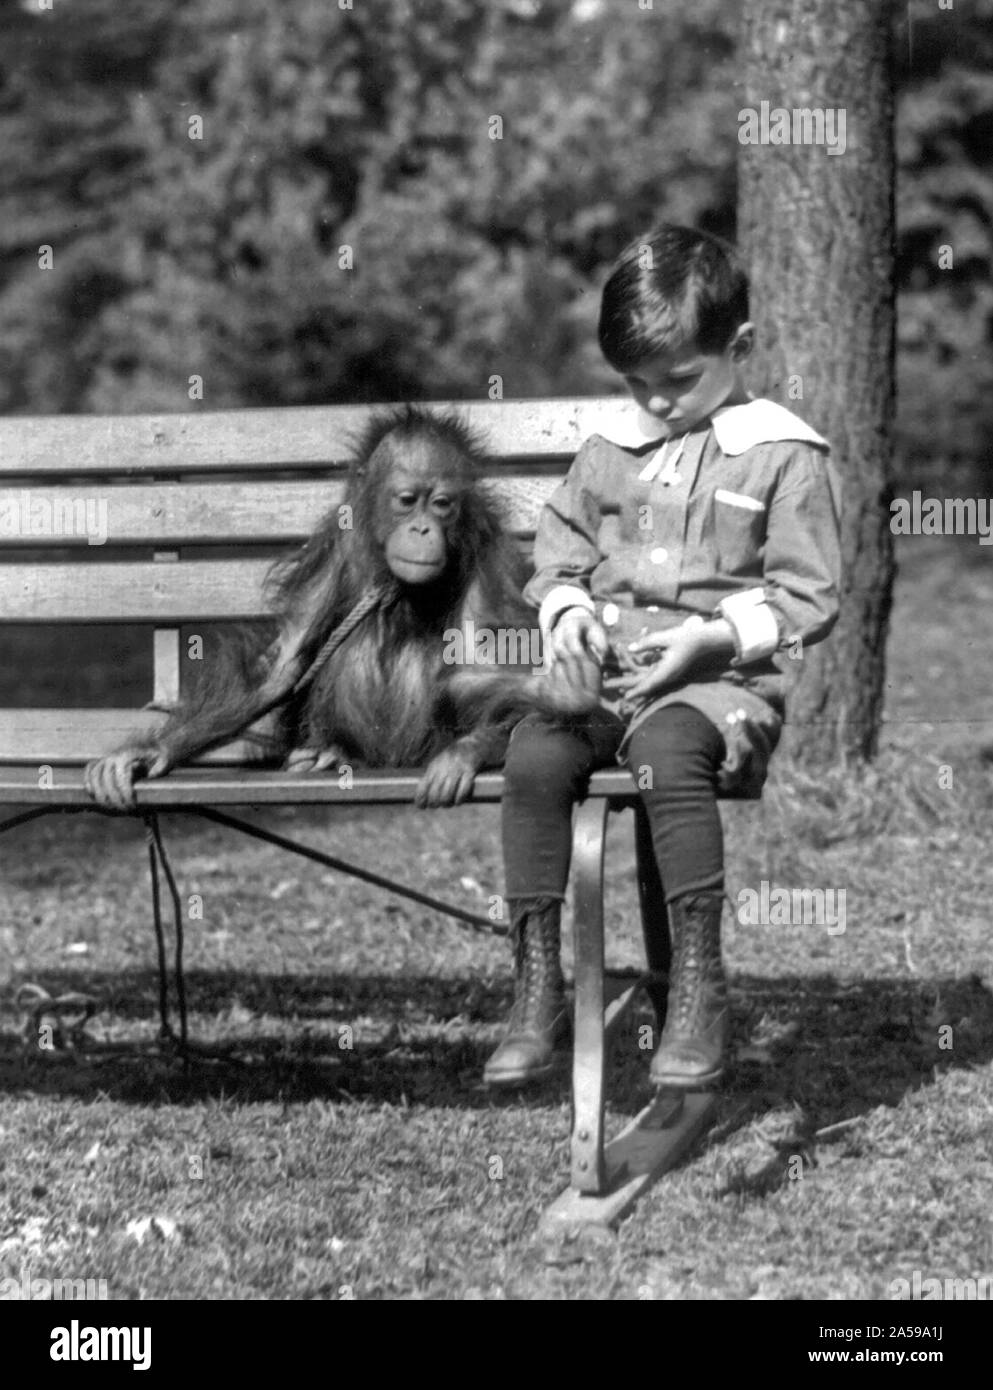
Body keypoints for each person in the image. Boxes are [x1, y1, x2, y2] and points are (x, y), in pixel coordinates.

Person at [484, 224, 842, 1090]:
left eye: (677, 381)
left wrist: (715, 636)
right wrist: (566, 607)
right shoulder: (613, 450)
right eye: (635, 385)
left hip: (719, 685)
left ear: (741, 348)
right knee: (535, 755)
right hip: (608, 681)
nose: (656, 403)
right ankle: (537, 986)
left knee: (666, 752)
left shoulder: (782, 454)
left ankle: (694, 990)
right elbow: (558, 551)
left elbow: (810, 595)